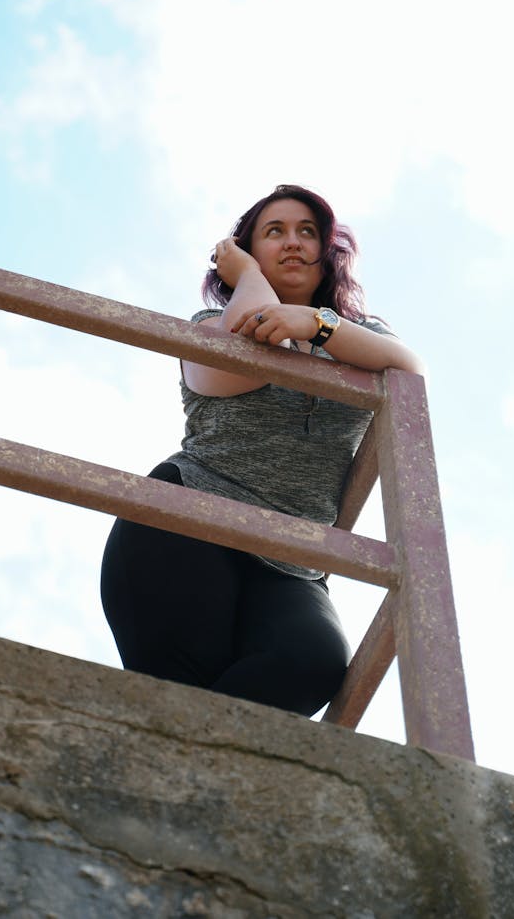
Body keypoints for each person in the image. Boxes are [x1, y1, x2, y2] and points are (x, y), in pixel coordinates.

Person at [101, 184, 423, 717]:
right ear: (248, 251)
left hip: (294, 559)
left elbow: (411, 373)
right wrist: (249, 279)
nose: (293, 242)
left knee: (311, 663)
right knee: (181, 690)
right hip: (186, 519)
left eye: (307, 232)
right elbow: (240, 360)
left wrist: (315, 325)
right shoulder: (210, 325)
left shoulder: (362, 337)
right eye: (274, 232)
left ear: (328, 255)